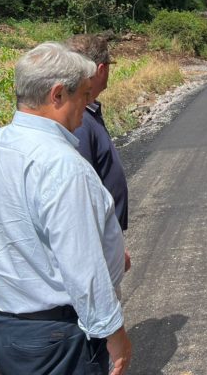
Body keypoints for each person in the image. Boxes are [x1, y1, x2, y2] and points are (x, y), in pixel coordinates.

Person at [0, 42, 131, 374]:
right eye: (84, 95)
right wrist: (113, 333)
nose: (88, 103)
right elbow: (82, 266)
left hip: (3, 327)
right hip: (57, 336)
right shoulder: (62, 166)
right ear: (57, 95)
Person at [66, 35, 131, 276]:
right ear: (101, 69)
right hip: (94, 246)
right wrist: (107, 249)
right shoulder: (79, 122)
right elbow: (80, 195)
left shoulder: (87, 113)